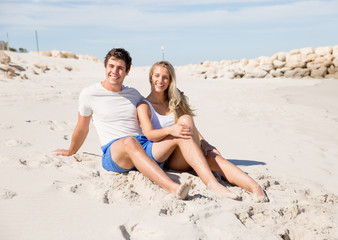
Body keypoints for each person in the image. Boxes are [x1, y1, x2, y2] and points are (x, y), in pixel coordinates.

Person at [54, 48, 237, 200]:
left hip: (145, 148)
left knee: (178, 132)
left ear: (127, 71)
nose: (114, 72)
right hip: (115, 153)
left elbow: (154, 104)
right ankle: (173, 188)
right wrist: (71, 150)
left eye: (120, 68)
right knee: (129, 142)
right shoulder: (89, 94)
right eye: (111, 66)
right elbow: (82, 127)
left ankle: (212, 181)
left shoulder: (134, 94)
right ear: (105, 67)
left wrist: (174, 95)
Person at [136, 61, 269, 202]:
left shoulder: (173, 102)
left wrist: (204, 143)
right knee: (184, 123)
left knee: (212, 157)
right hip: (166, 157)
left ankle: (254, 187)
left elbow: (190, 128)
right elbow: (149, 134)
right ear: (151, 77)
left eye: (165, 77)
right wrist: (171, 130)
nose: (160, 80)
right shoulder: (144, 105)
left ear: (170, 81)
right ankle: (212, 184)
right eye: (157, 76)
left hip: (185, 151)